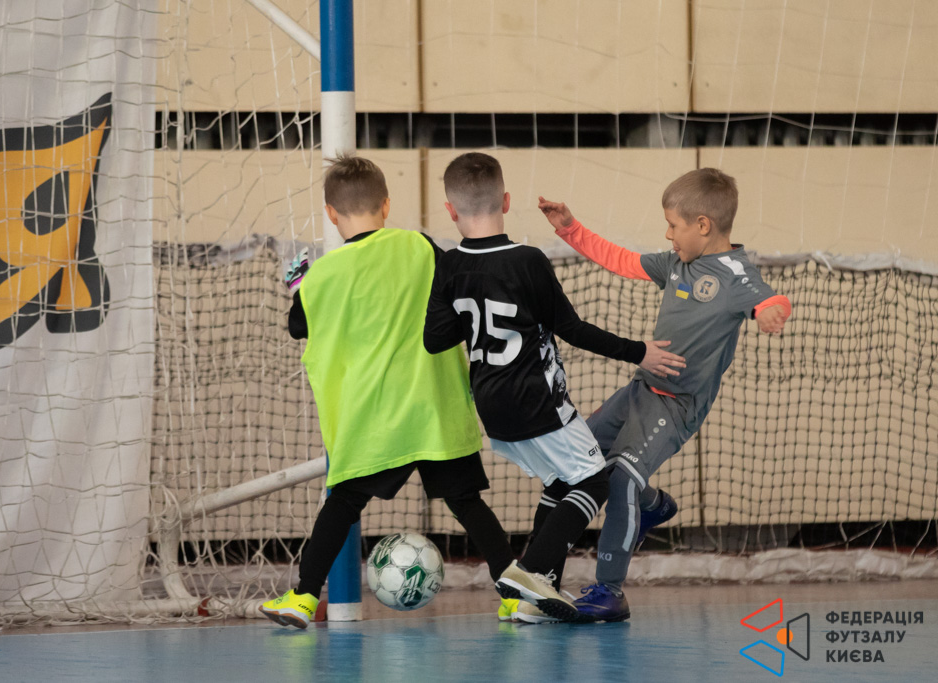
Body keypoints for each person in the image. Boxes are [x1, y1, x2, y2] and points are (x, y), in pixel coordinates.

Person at [259, 155, 557, 629]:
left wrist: (299, 285)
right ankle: (514, 596)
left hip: (371, 420)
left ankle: (302, 597)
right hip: (434, 410)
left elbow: (300, 325)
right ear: (386, 204)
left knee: (342, 505)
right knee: (467, 503)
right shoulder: (420, 246)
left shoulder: (322, 276)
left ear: (331, 214)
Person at [423, 152, 686, 624]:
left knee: (561, 482)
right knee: (594, 480)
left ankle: (535, 598)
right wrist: (639, 351)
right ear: (506, 201)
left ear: (450, 209)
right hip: (536, 401)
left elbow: (434, 339)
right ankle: (529, 573)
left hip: (491, 405)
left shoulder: (450, 266)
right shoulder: (527, 261)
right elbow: (572, 329)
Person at [537, 167, 792, 622]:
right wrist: (570, 229)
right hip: (639, 390)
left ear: (703, 225)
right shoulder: (676, 264)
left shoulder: (735, 273)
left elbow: (767, 298)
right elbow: (620, 259)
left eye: (673, 225)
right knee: (577, 457)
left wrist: (773, 311)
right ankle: (652, 506)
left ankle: (610, 591)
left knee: (621, 479)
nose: (668, 234)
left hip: (676, 406)